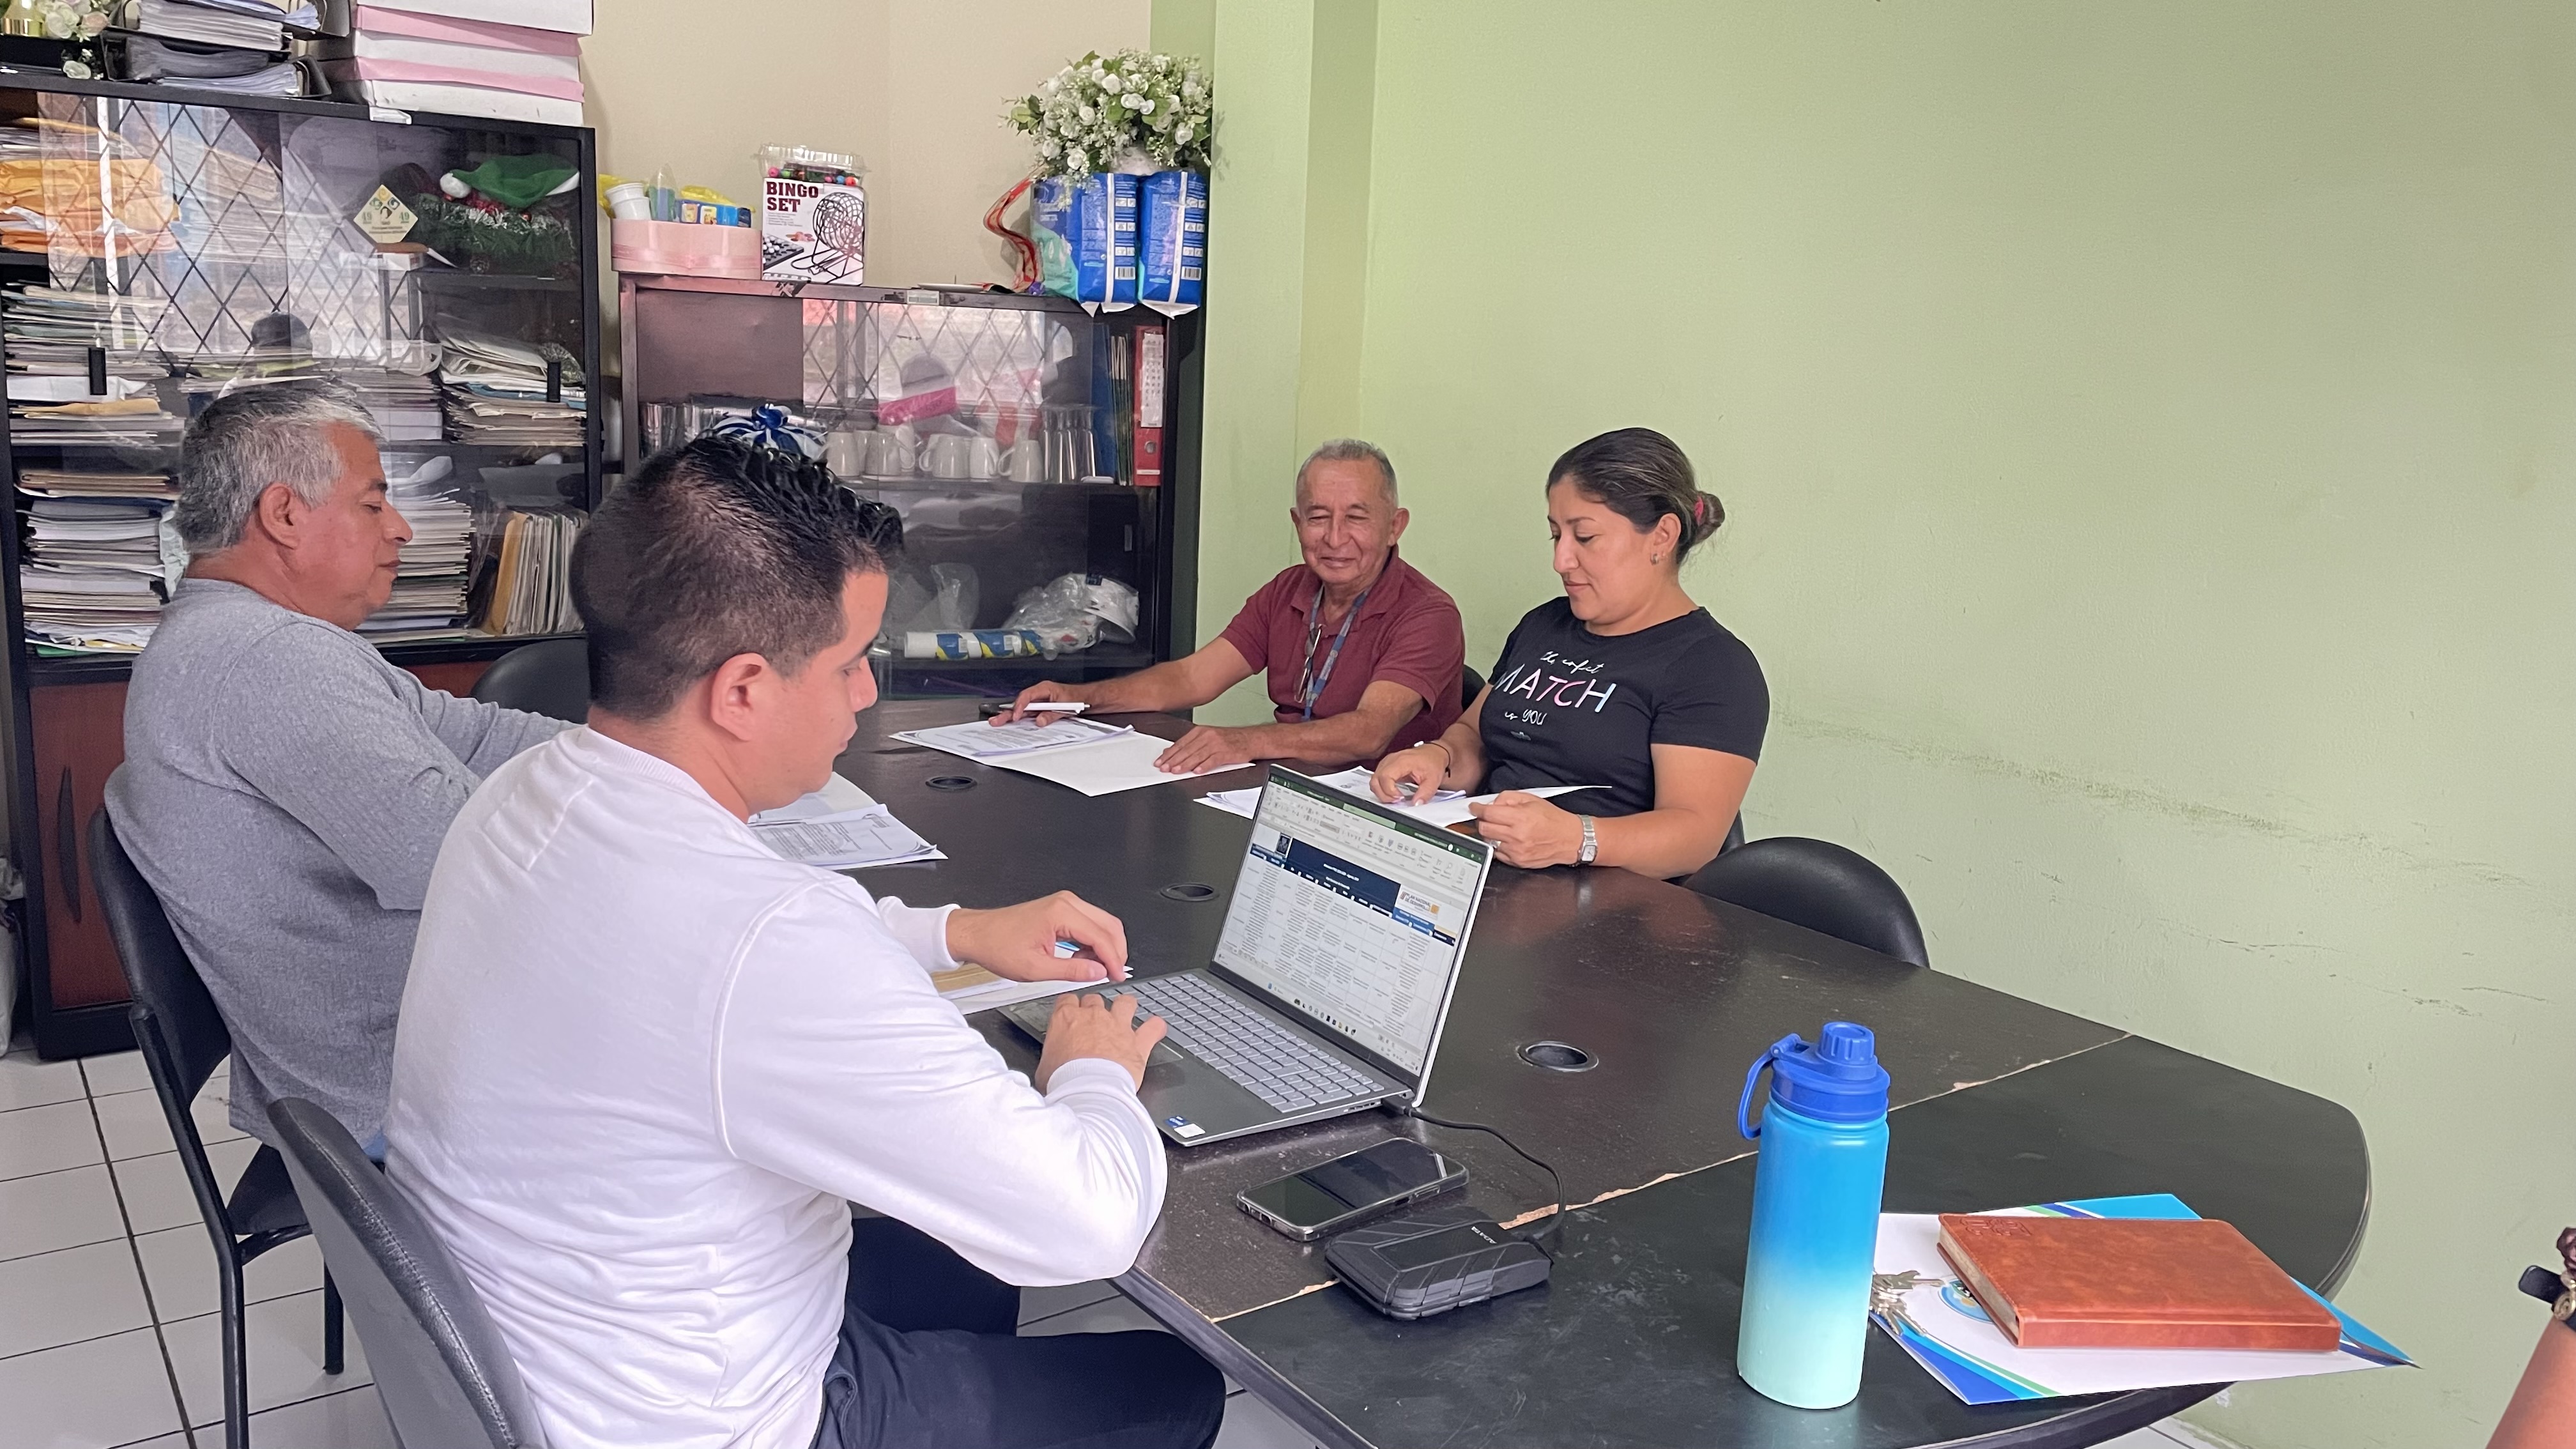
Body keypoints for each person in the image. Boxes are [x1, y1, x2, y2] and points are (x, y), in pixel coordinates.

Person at [385, 436, 1224, 1449]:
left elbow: (720, 969)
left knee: (952, 1247)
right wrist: (1090, 1073)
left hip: (556, 1347)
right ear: (742, 690)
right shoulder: (765, 941)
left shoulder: (523, 796)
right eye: (850, 663)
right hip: (708, 1421)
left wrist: (954, 931)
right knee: (1175, 1387)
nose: (866, 693)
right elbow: (1088, 1222)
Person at [105, 382, 568, 1150]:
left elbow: (474, 732)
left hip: (382, 1069)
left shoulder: (250, 637)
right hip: (408, 1098)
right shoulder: (269, 658)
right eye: (373, 504)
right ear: (284, 514)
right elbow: (460, 860)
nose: (401, 528)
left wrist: (639, 756)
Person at [1373, 427, 1766, 880]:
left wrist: (1575, 839)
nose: (1561, 561)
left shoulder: (1713, 666)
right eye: (1556, 536)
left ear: (1662, 536)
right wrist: (1438, 756)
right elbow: (1474, 734)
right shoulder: (1545, 624)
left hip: (1600, 901)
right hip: (1484, 870)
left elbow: (1694, 838)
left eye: (1585, 537)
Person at [1000, 439, 1464, 772]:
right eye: (1318, 517)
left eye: (1357, 518)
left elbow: (1368, 733)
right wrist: (1079, 699)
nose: (1335, 538)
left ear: (1395, 527)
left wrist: (1243, 741)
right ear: (1297, 523)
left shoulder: (1428, 614)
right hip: (1284, 788)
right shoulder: (1288, 590)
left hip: (1383, 808)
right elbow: (1191, 678)